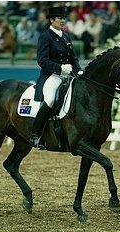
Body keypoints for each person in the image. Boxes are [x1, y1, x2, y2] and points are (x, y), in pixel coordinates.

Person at [30, 6, 82, 148]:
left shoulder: (66, 37)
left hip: (68, 75)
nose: (63, 21)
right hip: (51, 76)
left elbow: (74, 59)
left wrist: (79, 71)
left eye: (64, 18)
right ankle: (35, 134)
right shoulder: (45, 37)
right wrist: (59, 68)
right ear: (52, 20)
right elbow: (42, 61)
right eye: (60, 18)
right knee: (51, 99)